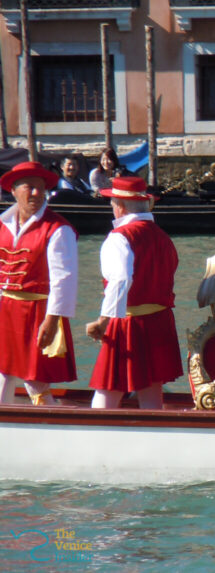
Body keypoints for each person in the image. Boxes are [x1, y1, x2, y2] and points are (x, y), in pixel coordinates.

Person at [86, 176, 182, 409]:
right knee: (151, 390)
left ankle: (93, 436)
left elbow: (120, 280)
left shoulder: (120, 237)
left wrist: (103, 321)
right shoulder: (163, 237)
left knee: (108, 388)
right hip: (159, 321)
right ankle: (154, 438)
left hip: (129, 322)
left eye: (112, 203)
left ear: (120, 206)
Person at [0, 161, 78, 405]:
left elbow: (63, 278)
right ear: (13, 190)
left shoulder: (57, 228)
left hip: (38, 312)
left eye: (39, 188)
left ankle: (47, 426)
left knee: (36, 379)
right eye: (28, 187)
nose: (35, 193)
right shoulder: (3, 225)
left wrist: (52, 320)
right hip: (6, 309)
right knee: (3, 371)